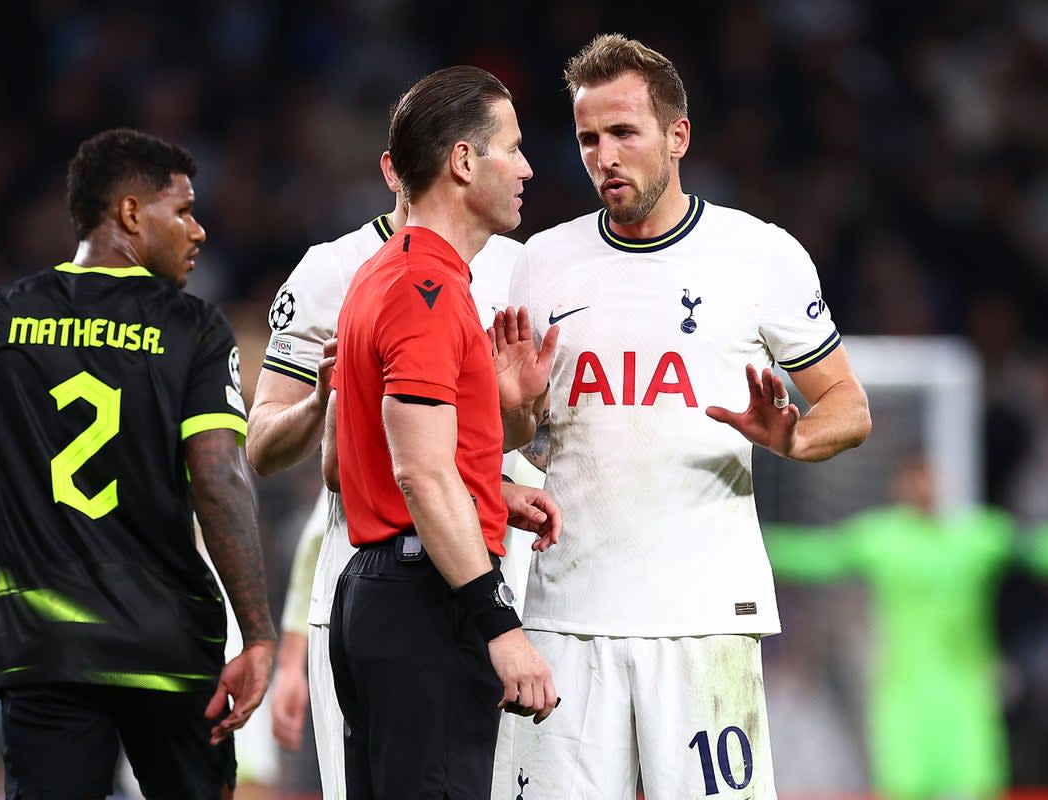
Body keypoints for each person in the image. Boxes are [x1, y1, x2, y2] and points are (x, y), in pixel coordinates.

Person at [505, 34, 872, 799]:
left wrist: (794, 436)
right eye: (588, 138)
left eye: (624, 133)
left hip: (704, 616)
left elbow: (849, 405)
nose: (604, 155)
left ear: (677, 137)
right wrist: (513, 409)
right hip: (568, 617)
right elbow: (508, 437)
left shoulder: (760, 255)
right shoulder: (540, 260)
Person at [0, 128, 277, 800]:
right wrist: (257, 633)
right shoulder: (193, 328)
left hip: (45, 646)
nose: (198, 232)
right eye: (184, 210)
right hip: (169, 645)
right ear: (131, 214)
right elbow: (218, 480)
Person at [248, 150, 545, 798]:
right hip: (392, 580)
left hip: (488, 586)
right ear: (397, 167)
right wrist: (332, 397)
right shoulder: (333, 270)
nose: (525, 167)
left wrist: (508, 423)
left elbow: (485, 440)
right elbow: (264, 446)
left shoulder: (520, 266)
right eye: (511, 147)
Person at [329, 65, 560, 799]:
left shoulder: (383, 275)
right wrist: (500, 624)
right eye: (512, 148)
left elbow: (348, 458)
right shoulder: (426, 290)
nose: (526, 167)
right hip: (425, 602)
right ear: (464, 161)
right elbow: (421, 476)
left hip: (385, 592)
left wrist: (490, 490)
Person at [765, 453, 1048, 800]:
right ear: (900, 489)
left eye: (931, 478)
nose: (925, 488)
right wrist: (749, 539)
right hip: (903, 697)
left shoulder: (977, 537)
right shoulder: (881, 539)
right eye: (916, 479)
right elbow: (815, 557)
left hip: (965, 695)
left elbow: (1043, 551)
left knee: (976, 788)